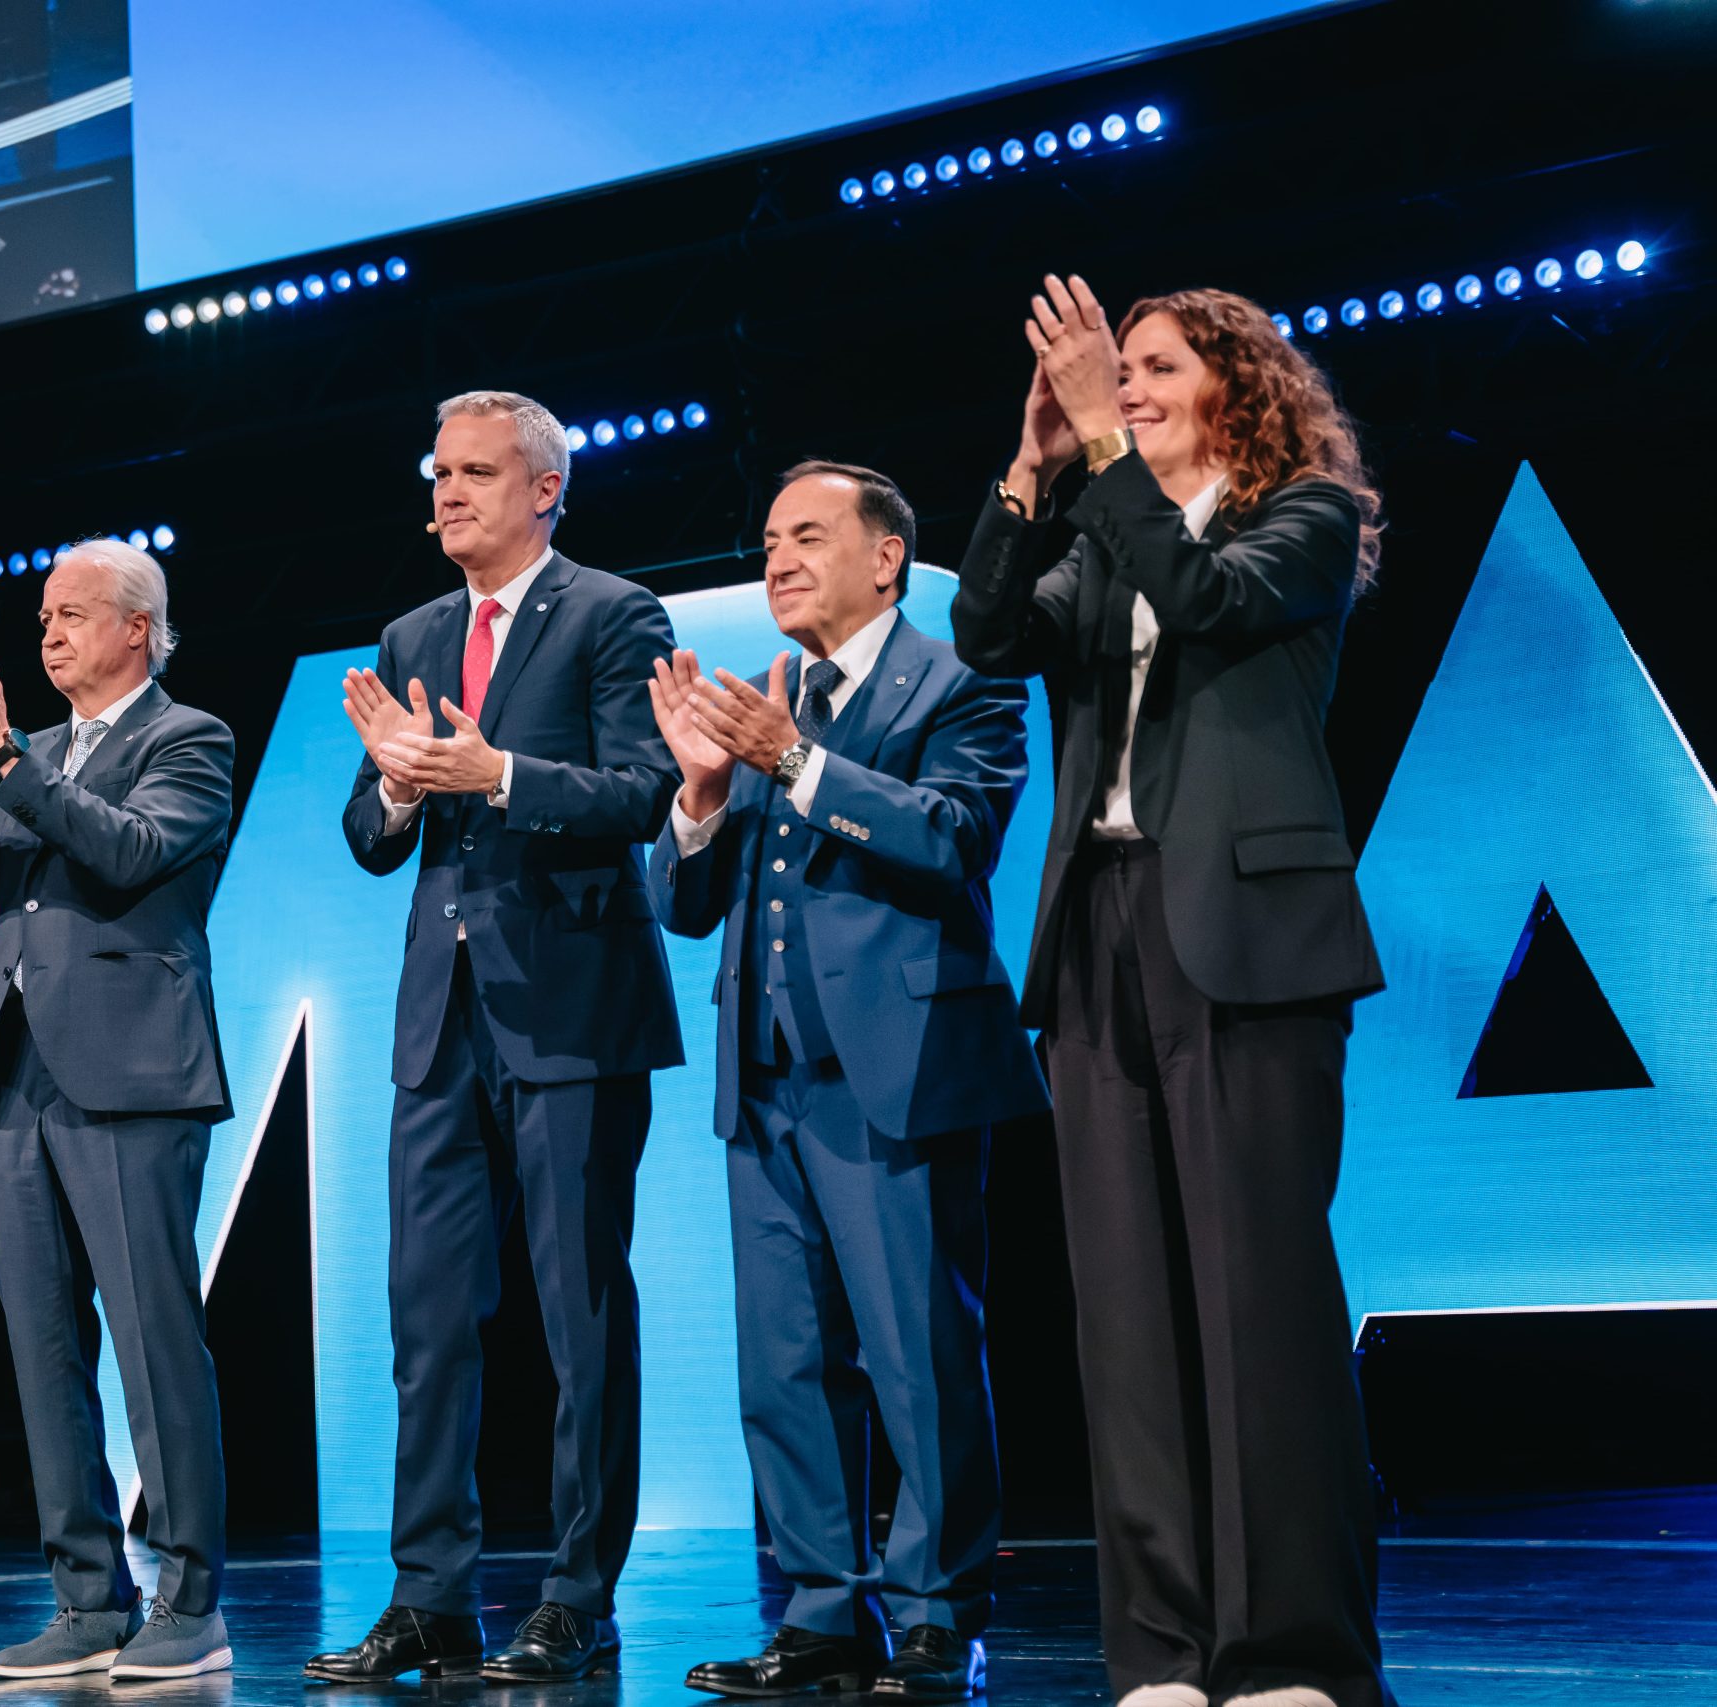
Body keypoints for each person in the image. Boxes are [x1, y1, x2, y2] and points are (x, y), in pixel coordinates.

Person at [952, 278, 1391, 1707]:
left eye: (1149, 367)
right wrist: (1033, 466)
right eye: (1111, 369)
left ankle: (1289, 1648)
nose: (1121, 385)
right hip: (1100, 930)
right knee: (1126, 1310)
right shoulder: (1100, 526)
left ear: (1234, 389)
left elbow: (1203, 601)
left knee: (1256, 1293)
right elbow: (991, 634)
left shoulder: (1302, 518)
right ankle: (1162, 1643)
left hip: (1250, 933)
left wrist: (1105, 455)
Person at [650, 462, 1048, 1702]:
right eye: (767, 539)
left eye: (806, 537)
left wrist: (797, 762)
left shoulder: (960, 678)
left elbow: (952, 835)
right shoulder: (773, 701)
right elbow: (688, 904)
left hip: (898, 1069)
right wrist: (704, 799)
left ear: (887, 559)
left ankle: (936, 1611)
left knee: (916, 1349)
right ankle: (821, 1612)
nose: (776, 560)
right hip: (763, 1079)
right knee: (781, 1363)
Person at [307, 390, 682, 1685]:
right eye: (439, 471)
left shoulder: (614, 613)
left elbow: (643, 791)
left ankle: (581, 1594)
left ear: (544, 490)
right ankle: (432, 1597)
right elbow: (367, 833)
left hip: (575, 1006)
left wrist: (499, 774)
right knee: (428, 1318)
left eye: (475, 472)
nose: (447, 491)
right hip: (440, 1026)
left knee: (580, 1316)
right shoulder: (413, 629)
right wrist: (403, 783)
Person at [0, 538, 237, 1681]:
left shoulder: (187, 738)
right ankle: (89, 1598)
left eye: (72, 612)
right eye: (43, 616)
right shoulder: (27, 757)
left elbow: (132, 854)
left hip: (132, 1073)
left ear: (138, 627)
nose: (48, 632)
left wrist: (5, 758)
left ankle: (190, 1598)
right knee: (40, 1345)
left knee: (151, 1340)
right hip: (21, 1074)